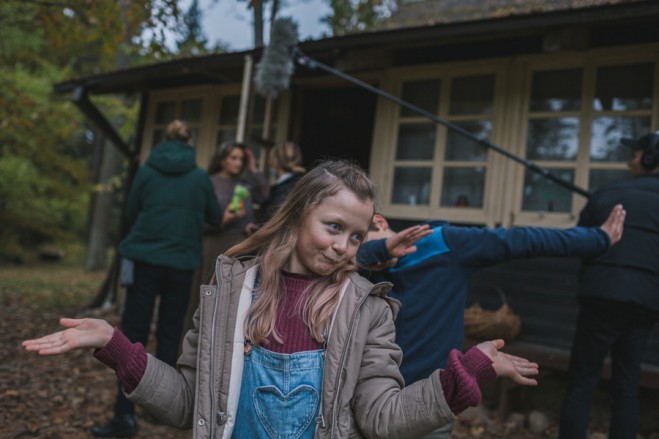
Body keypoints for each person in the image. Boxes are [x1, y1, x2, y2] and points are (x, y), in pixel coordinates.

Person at [24, 160, 540, 439]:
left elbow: (382, 417)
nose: (344, 246)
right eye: (333, 227)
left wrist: (462, 377)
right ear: (297, 216)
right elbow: (186, 403)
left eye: (357, 236)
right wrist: (116, 344)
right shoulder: (230, 293)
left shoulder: (369, 311)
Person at [357, 206, 625, 439]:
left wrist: (597, 239)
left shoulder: (443, 243)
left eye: (359, 238)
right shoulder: (355, 267)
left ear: (380, 222)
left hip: (431, 404)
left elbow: (523, 240)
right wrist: (374, 250)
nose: (351, 250)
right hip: (370, 406)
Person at [90, 119, 222, 437]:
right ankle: (160, 409)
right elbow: (215, 218)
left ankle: (124, 415)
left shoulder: (147, 172)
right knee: (169, 332)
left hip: (145, 259)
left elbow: (131, 213)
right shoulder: (200, 177)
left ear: (164, 140)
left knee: (131, 334)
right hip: (180, 262)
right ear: (190, 141)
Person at [559, 133, 659, 439]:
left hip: (601, 297)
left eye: (636, 153)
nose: (630, 159)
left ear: (650, 158)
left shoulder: (607, 193)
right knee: (627, 385)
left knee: (582, 381)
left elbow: (581, 242)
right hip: (645, 303)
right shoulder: (609, 191)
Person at [183, 141, 270, 344]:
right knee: (205, 295)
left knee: (233, 300)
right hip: (213, 243)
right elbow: (197, 221)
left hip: (239, 246)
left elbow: (265, 195)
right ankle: (194, 346)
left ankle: (225, 346)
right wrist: (224, 220)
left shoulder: (245, 185)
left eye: (242, 159)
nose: (238, 163)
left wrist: (254, 168)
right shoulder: (209, 182)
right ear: (222, 159)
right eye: (234, 158)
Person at [259, 140, 306, 224]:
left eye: (271, 158)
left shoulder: (285, 189)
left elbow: (272, 222)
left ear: (275, 161)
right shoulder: (301, 183)